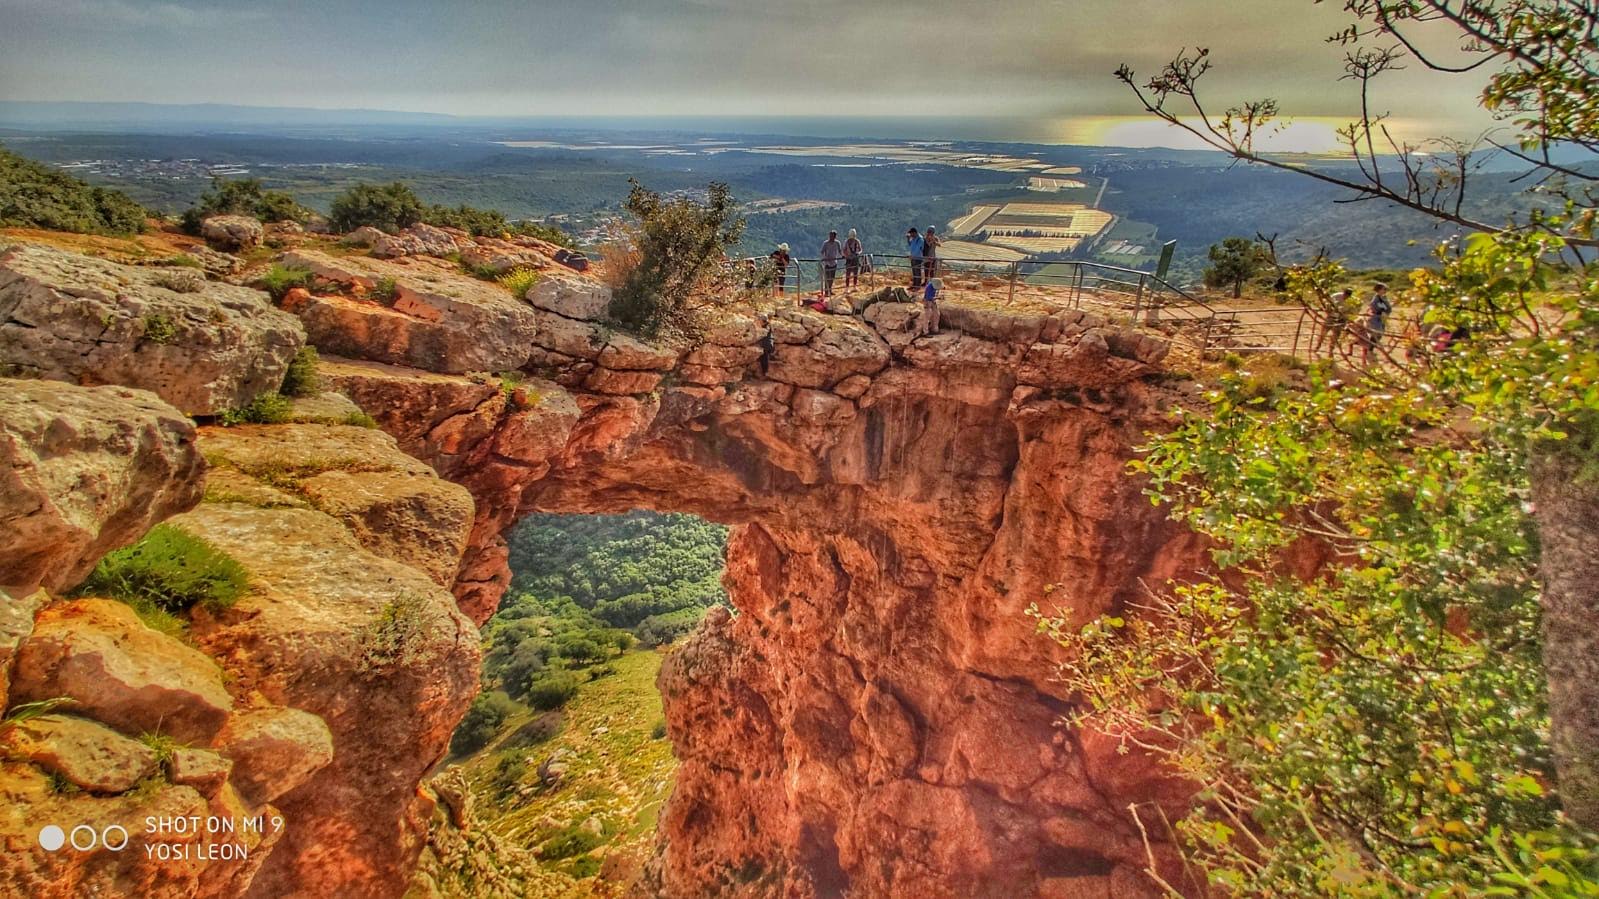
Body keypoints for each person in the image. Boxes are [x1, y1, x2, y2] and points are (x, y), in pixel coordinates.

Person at [1314, 288, 1353, 358]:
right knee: (1323, 333)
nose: (1346, 297)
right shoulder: (1335, 296)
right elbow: (1327, 303)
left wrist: (1345, 316)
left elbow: (1351, 311)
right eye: (1345, 295)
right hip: (1331, 317)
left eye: (1348, 296)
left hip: (1341, 319)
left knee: (1335, 336)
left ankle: (1330, 351)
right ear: (1343, 293)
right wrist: (1329, 309)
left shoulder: (1351, 302)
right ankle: (1318, 346)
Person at [1361, 282, 1393, 365]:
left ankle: (1370, 350)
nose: (1385, 291)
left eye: (1386, 289)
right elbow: (1381, 308)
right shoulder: (1377, 299)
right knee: (1376, 334)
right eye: (1384, 289)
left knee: (1379, 335)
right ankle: (1369, 350)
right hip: (1376, 319)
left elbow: (1388, 308)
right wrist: (1385, 310)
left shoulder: (1383, 298)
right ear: (1379, 290)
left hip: (1381, 319)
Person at [820, 230, 844, 296]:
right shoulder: (825, 243)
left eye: (832, 236)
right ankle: (826, 292)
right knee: (827, 277)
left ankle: (830, 290)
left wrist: (842, 255)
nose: (831, 237)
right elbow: (822, 251)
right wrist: (824, 257)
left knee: (832, 278)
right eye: (830, 236)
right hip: (827, 263)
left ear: (835, 236)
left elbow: (839, 251)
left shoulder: (837, 243)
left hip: (834, 262)